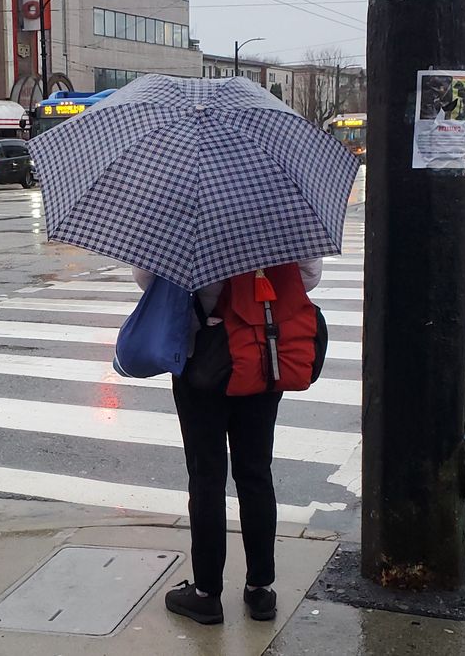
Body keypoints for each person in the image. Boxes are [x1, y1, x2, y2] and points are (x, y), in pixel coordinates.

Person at [132, 259, 323, 625]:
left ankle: (206, 594)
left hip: (204, 359)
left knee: (206, 477)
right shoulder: (281, 216)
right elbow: (308, 279)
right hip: (263, 357)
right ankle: (261, 590)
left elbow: (148, 280)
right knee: (255, 473)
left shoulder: (186, 214)